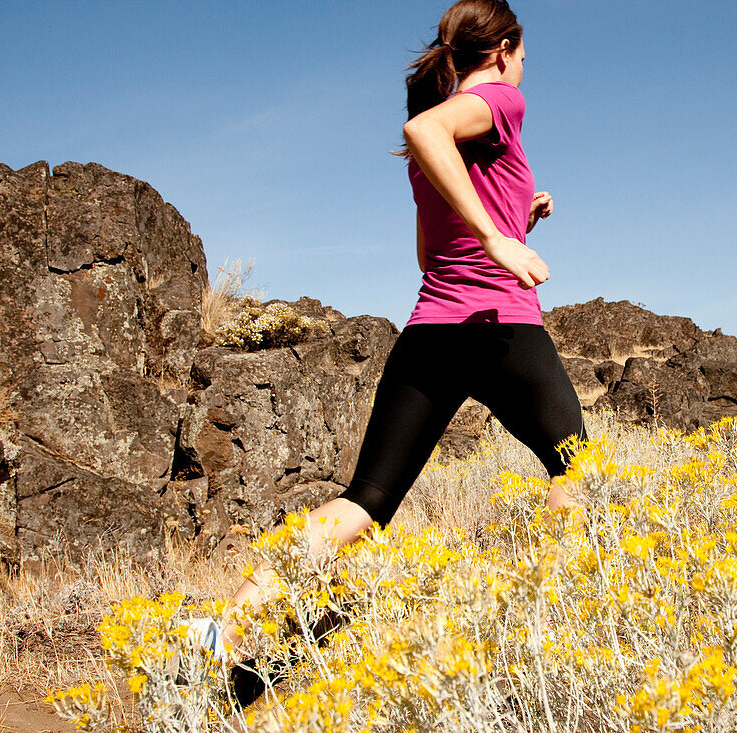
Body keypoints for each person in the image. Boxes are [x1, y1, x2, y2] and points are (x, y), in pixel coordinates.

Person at [187, 0, 587, 672]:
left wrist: (516, 217)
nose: (524, 68)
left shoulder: (424, 162)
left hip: (431, 332)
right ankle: (558, 629)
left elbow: (434, 258)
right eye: (523, 54)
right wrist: (499, 238)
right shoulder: (497, 100)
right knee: (578, 468)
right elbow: (429, 128)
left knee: (364, 500)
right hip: (502, 329)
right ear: (502, 49)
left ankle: (217, 632)